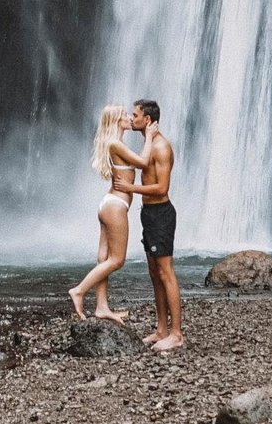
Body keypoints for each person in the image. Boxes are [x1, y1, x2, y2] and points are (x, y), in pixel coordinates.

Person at [117, 98, 182, 351]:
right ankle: (161, 329)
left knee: (166, 272)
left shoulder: (162, 147)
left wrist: (130, 188)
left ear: (148, 120)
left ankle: (176, 334)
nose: (132, 119)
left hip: (162, 214)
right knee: (155, 274)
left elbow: (162, 187)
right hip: (149, 214)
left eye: (135, 115)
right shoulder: (149, 145)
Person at [69, 102, 137, 320]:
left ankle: (101, 307)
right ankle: (79, 290)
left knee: (104, 258)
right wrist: (152, 137)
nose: (129, 117)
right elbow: (144, 162)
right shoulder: (116, 144)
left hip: (109, 203)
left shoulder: (112, 143)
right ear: (117, 121)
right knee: (117, 260)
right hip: (115, 206)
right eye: (125, 115)